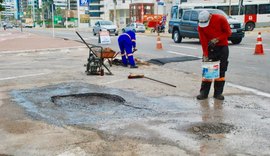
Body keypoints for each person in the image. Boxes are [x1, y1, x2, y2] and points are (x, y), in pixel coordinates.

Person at [196, 10, 232, 100]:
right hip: (210, 48)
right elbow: (203, 41)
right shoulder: (201, 26)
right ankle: (204, 93)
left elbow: (228, 32)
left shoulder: (220, 19)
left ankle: (218, 94)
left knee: (221, 72)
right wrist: (205, 54)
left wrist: (217, 39)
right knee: (208, 71)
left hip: (222, 48)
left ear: (210, 17)